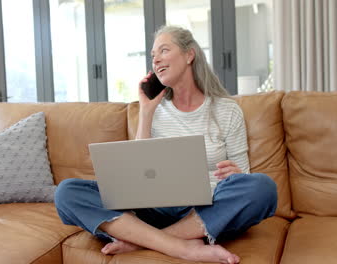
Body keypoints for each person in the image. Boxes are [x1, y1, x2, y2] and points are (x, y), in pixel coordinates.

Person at [54, 25, 277, 264]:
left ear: (189, 54)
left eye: (163, 50)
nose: (156, 60)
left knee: (262, 188)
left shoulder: (227, 111)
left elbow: (244, 175)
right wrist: (147, 112)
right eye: (153, 56)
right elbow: (135, 176)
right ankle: (183, 248)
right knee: (67, 192)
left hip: (205, 210)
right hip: (152, 210)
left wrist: (237, 174)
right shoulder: (154, 110)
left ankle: (145, 240)